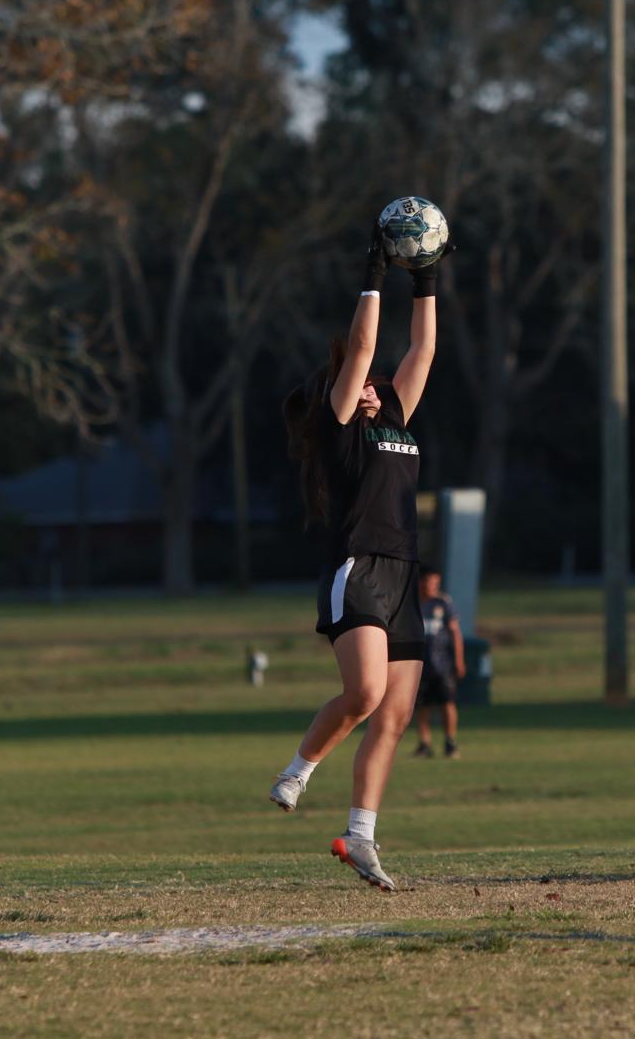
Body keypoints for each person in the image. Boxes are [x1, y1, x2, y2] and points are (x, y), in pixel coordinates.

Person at [270, 222, 449, 892]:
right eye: (360, 378)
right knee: (366, 694)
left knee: (397, 715)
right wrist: (374, 273)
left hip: (404, 574)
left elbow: (423, 349)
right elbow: (366, 343)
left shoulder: (397, 417)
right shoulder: (341, 427)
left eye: (374, 379)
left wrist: (426, 276)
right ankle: (298, 768)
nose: (372, 380)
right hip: (358, 569)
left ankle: (362, 835)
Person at [412, 568, 466, 759]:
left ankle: (450, 742)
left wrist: (459, 660)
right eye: (428, 581)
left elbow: (455, 632)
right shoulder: (412, 602)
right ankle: (424, 744)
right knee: (422, 705)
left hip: (442, 664)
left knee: (447, 702)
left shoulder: (443, 603)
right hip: (419, 664)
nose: (431, 586)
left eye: (435, 582)